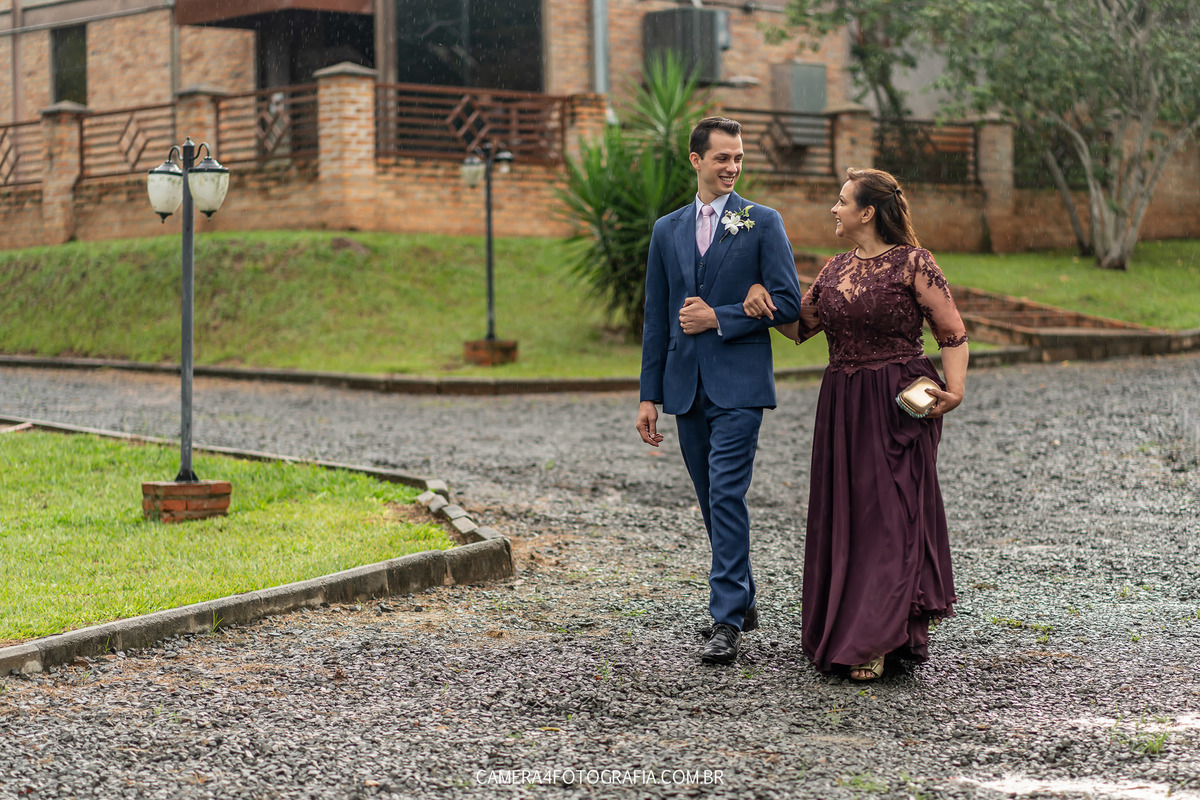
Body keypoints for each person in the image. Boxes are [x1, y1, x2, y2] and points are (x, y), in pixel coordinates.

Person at [744, 167, 968, 680]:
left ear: (867, 212)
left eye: (842, 201)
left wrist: (953, 393)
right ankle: (850, 626)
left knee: (891, 516)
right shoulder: (834, 269)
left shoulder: (915, 262)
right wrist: (761, 303)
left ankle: (878, 636)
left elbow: (951, 333)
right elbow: (801, 326)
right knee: (850, 516)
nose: (834, 209)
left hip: (898, 402)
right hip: (843, 403)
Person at [637, 116, 804, 665]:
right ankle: (744, 598)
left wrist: (722, 317)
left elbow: (787, 304)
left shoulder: (762, 222)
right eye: (722, 158)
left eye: (738, 158)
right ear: (696, 161)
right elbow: (657, 320)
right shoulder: (667, 230)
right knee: (710, 498)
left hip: (739, 387)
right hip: (684, 389)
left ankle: (725, 618)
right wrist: (648, 396)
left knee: (726, 493)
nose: (732, 167)